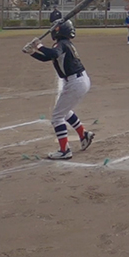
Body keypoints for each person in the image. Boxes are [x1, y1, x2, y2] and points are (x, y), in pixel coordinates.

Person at [22, 20, 94, 160]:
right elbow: (47, 58)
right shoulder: (65, 44)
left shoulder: (61, 44)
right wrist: (32, 52)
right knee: (64, 112)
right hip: (78, 80)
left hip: (75, 82)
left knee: (57, 117)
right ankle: (83, 134)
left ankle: (64, 150)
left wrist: (39, 45)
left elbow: (53, 53)